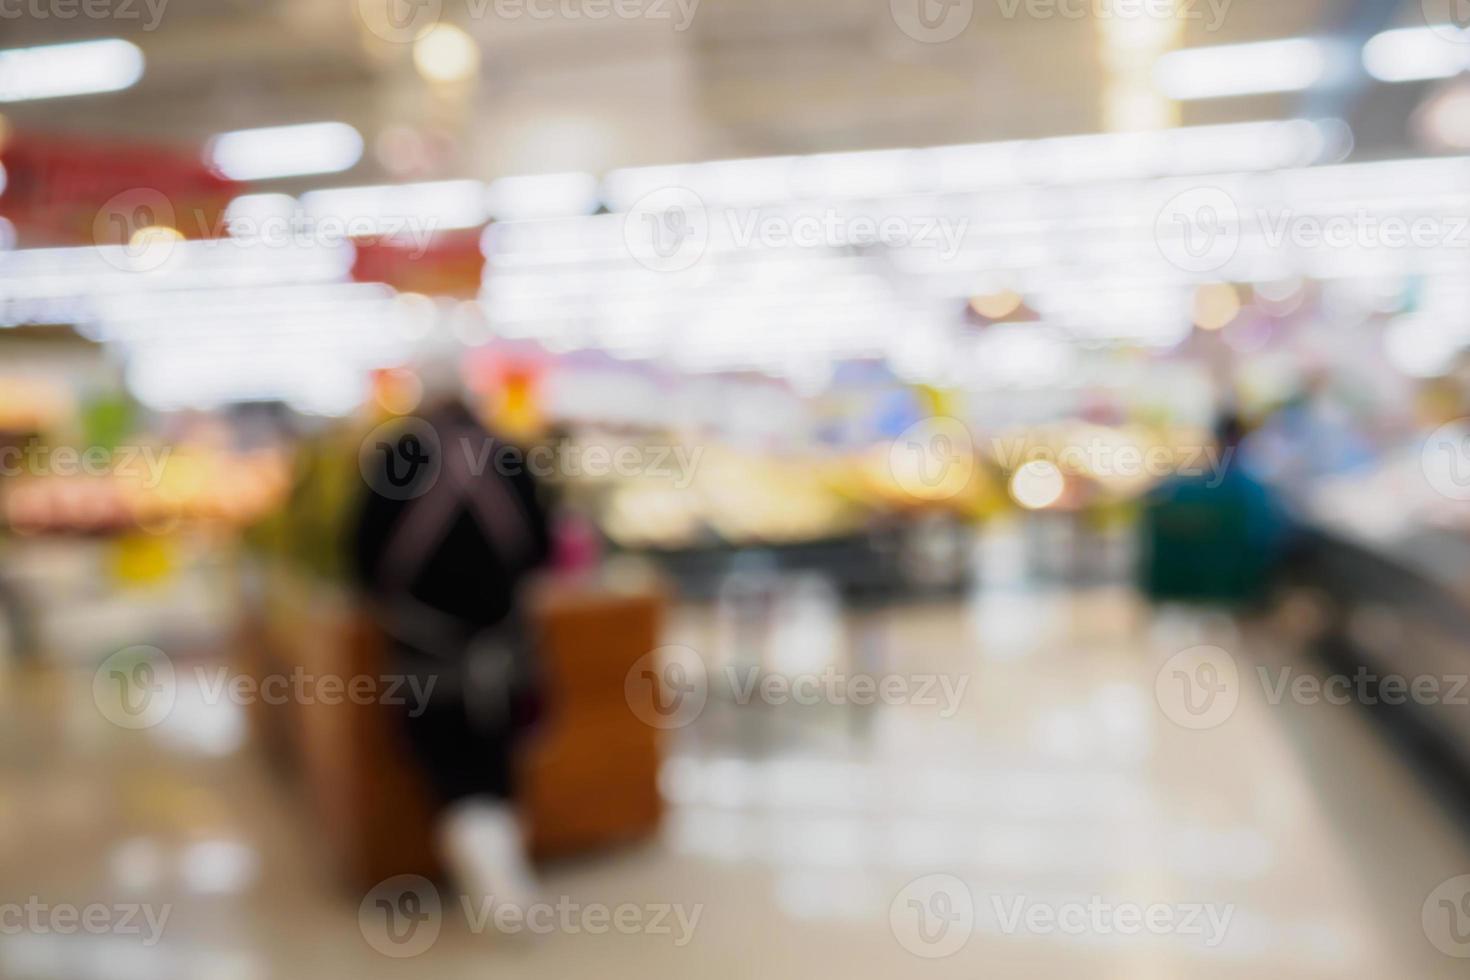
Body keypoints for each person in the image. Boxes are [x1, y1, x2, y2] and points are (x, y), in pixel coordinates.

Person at [350, 375, 552, 910]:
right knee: (498, 758)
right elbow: (541, 549)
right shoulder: (508, 453)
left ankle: (490, 882)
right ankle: (504, 880)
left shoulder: (391, 456)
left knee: (447, 765)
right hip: (505, 649)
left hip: (421, 652)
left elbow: (363, 563)